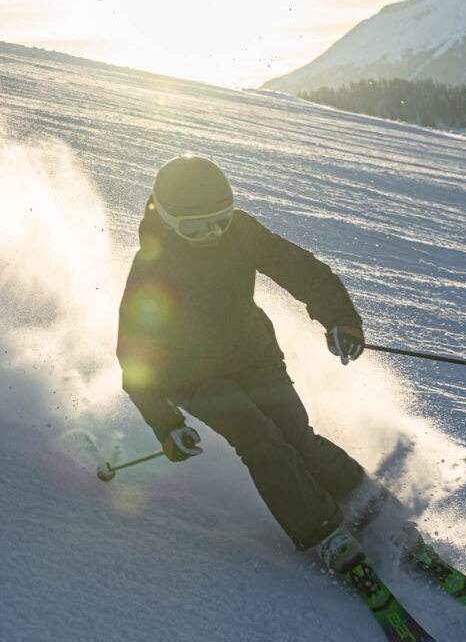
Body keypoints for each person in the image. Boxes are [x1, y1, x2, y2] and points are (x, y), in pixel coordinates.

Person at [116, 154, 379, 574]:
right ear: (166, 220)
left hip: (253, 356)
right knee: (259, 439)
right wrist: (166, 422)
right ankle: (324, 533)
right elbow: (134, 353)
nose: (211, 235)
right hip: (191, 375)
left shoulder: (240, 232)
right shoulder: (152, 267)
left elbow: (301, 270)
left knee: (297, 436)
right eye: (194, 227)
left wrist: (341, 320)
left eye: (219, 220)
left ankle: (369, 506)